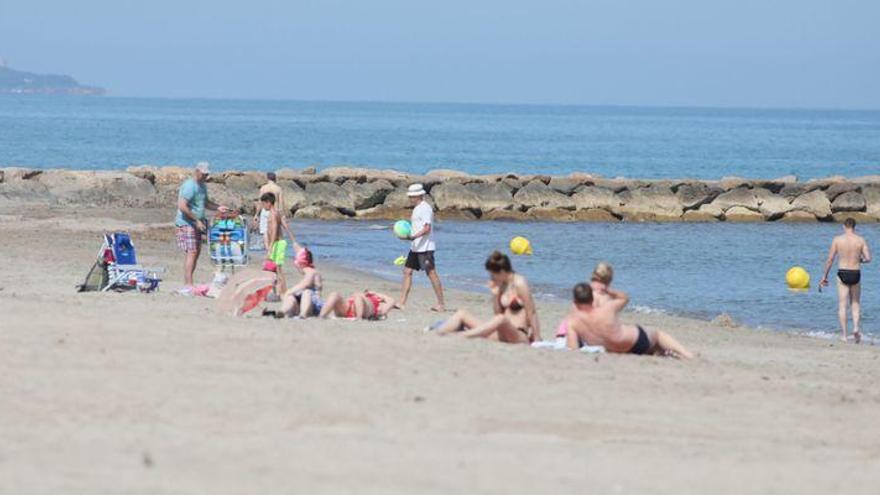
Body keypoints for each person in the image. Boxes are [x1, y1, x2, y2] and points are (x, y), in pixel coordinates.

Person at [433, 251, 541, 344]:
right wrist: (495, 295)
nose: (491, 278)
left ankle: (463, 335)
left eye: (492, 275)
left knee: (501, 319)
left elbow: (532, 312)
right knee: (462, 314)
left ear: (502, 272)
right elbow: (498, 314)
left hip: (518, 335)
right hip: (501, 333)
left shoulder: (519, 283)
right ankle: (438, 332)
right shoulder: (502, 285)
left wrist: (536, 338)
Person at [562, 282, 693, 359]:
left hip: (614, 350)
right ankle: (687, 355)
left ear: (574, 301)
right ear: (592, 299)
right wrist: (609, 291)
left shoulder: (573, 322)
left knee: (653, 346)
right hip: (635, 343)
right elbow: (625, 298)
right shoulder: (607, 309)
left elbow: (573, 349)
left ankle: (662, 352)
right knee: (657, 334)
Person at [175, 161, 227, 293]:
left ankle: (189, 282)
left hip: (198, 223)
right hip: (186, 223)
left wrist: (218, 207)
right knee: (191, 252)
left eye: (207, 174)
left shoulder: (202, 186)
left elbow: (206, 203)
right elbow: (182, 206)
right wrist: (196, 219)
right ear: (197, 172)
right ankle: (188, 283)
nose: (205, 177)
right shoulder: (189, 186)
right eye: (203, 174)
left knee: (196, 253)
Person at [820, 217, 872, 343]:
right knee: (855, 303)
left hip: (842, 272)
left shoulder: (837, 240)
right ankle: (855, 328)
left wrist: (824, 277)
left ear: (844, 226)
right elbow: (868, 258)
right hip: (855, 273)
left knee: (842, 305)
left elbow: (830, 259)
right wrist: (859, 260)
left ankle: (844, 335)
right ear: (855, 227)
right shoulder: (860, 240)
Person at [398, 183, 446, 312]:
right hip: (415, 247)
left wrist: (414, 236)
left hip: (425, 247)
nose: (410, 198)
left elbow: (427, 228)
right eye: (410, 196)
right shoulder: (417, 208)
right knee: (407, 271)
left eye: (412, 196)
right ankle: (402, 303)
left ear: (419, 195)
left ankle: (441, 304)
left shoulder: (425, 208)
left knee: (431, 273)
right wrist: (409, 235)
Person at [555, 261, 615, 344]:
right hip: (579, 336)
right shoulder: (604, 296)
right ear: (609, 280)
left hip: (563, 332)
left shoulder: (583, 289)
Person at [279, 244, 324, 318]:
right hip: (302, 303)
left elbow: (306, 284)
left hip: (313, 305)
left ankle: (303, 314)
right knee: (291, 297)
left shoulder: (311, 272)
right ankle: (282, 311)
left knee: (306, 292)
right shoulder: (308, 273)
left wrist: (288, 292)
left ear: (300, 264)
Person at [254, 172, 294, 250]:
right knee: (275, 230)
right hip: (274, 211)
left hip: (264, 211)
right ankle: (274, 248)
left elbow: (260, 202)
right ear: (275, 179)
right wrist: (282, 215)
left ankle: (267, 248)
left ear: (267, 178)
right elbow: (281, 203)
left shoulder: (263, 188)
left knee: (265, 232)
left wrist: (256, 214)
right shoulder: (278, 189)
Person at [260, 192, 289, 295]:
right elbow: (285, 225)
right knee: (273, 269)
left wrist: (270, 247)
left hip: (277, 244)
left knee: (277, 269)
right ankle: (277, 292)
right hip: (278, 243)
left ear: (268, 203)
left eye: (263, 204)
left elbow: (275, 230)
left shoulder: (272, 214)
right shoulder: (277, 212)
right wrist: (293, 239)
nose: (262, 206)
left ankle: (284, 293)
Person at [319, 290, 397, 320]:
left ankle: (358, 319)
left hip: (363, 311)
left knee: (357, 295)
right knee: (334, 294)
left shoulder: (380, 305)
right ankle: (321, 316)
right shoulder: (363, 296)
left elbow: (392, 301)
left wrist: (378, 294)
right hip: (348, 308)